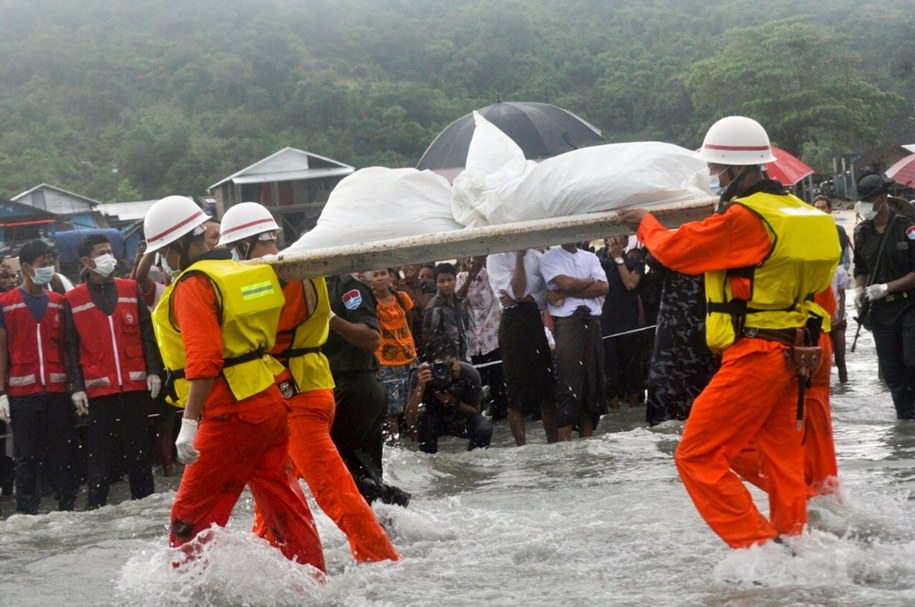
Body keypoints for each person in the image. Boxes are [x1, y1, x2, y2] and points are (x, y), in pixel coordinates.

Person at [618, 115, 838, 549]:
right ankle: (798, 540)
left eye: (716, 171)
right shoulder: (806, 214)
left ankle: (759, 546)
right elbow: (823, 297)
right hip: (798, 349)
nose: (714, 179)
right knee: (781, 458)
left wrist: (646, 223)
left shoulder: (748, 219)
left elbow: (676, 250)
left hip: (756, 352)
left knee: (695, 454)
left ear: (736, 170)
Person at [143, 195, 325, 571]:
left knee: (189, 512)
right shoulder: (240, 270)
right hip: (269, 400)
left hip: (230, 411)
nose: (163, 260)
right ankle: (313, 579)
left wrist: (189, 423)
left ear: (177, 246)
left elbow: (205, 358)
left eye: (164, 251)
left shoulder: (193, 284)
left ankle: (185, 591)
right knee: (283, 501)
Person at [220, 203, 399, 562]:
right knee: (276, 486)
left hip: (298, 395)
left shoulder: (270, 280)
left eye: (231, 250)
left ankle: (380, 556)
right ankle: (270, 553)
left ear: (243, 245)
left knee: (331, 486)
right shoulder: (302, 269)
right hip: (309, 388)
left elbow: (249, 330)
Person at [63, 234, 161, 509]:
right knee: (99, 456)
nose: (109, 256)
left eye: (110, 250)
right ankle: (97, 508)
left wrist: (153, 371)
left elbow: (147, 334)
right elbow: (70, 347)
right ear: (87, 260)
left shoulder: (130, 289)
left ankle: (146, 507)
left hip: (134, 386)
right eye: (102, 252)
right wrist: (77, 387)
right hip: (97, 390)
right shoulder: (73, 298)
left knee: (140, 452)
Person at [0, 240, 81, 514]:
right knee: (26, 457)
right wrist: (2, 393)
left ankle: (67, 506)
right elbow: (1, 351)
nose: (48, 269)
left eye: (50, 263)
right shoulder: (5, 304)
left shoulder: (60, 303)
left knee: (63, 452)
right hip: (23, 395)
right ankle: (27, 512)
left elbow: (69, 347)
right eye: (42, 264)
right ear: (25, 268)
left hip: (58, 391)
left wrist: (75, 387)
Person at [325, 271, 411, 507]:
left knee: (346, 473)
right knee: (355, 473)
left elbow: (371, 338)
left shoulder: (347, 287)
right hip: (336, 389)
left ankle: (390, 509)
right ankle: (390, 512)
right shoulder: (310, 284)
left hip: (356, 389)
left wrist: (328, 316)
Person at [852, 171, 915, 420]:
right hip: (880, 313)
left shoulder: (907, 229)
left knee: (912, 362)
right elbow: (860, 268)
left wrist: (887, 287)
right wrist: (859, 289)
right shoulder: (861, 233)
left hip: (909, 306)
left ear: (881, 199)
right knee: (892, 374)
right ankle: (906, 429)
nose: (863, 204)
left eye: (868, 198)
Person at [487, 249, 559, 444]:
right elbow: (517, 292)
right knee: (515, 390)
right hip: (512, 324)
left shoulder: (538, 257)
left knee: (547, 388)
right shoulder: (495, 257)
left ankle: (554, 442)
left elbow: (549, 294)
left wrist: (528, 298)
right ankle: (521, 446)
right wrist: (519, 257)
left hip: (535, 321)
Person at [539, 243, 609, 440]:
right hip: (569, 323)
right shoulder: (550, 257)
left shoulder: (590, 257)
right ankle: (564, 446)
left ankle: (586, 443)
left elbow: (604, 287)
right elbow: (565, 283)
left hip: (593, 322)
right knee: (568, 385)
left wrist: (568, 292)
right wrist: (588, 282)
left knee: (591, 384)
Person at [643, 254, 719, 426]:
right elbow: (654, 258)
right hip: (676, 333)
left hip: (705, 331)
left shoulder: (716, 241)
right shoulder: (677, 242)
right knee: (665, 403)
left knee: (703, 405)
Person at [404, 338, 493, 453]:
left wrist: (453, 402)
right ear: (431, 364)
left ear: (458, 359)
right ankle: (428, 460)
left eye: (450, 365)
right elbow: (410, 417)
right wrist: (421, 386)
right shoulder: (421, 374)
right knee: (425, 421)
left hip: (462, 419)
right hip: (433, 420)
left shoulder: (469, 373)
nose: (445, 371)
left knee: (484, 428)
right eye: (440, 367)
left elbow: (476, 410)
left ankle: (476, 459)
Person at [369, 268, 417, 442]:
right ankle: (395, 446)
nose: (380, 278)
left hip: (409, 359)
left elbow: (409, 323)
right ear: (370, 280)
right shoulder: (370, 302)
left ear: (390, 277)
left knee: (414, 405)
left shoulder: (402, 298)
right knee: (390, 412)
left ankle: (417, 441)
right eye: (375, 275)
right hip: (384, 363)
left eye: (383, 273)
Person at [456, 256, 506, 420]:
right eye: (467, 258)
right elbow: (457, 301)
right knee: (476, 388)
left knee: (499, 387)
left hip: (493, 339)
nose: (471, 261)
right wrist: (471, 276)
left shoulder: (491, 275)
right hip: (472, 341)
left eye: (474, 258)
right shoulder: (460, 278)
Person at [599, 236, 645, 408]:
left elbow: (631, 284)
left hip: (629, 322)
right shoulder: (600, 263)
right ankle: (615, 411)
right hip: (608, 321)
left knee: (632, 371)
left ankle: (633, 412)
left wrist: (619, 259)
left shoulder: (634, 262)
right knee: (611, 371)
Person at [814, 195, 850, 382]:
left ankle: (844, 388)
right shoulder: (809, 233)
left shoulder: (839, 231)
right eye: (817, 207)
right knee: (820, 364)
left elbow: (842, 293)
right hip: (818, 319)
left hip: (836, 318)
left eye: (823, 207)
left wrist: (839, 318)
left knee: (841, 360)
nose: (820, 210)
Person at [422, 262, 469, 361]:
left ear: (455, 280)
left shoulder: (459, 302)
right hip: (444, 359)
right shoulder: (434, 308)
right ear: (435, 283)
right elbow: (429, 338)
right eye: (442, 281)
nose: (446, 284)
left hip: (463, 356)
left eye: (449, 280)